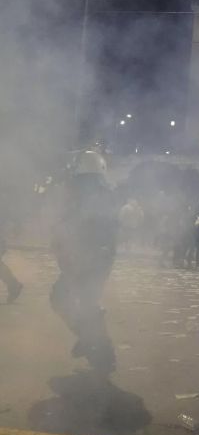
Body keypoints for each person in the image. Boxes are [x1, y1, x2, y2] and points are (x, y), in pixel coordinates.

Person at [50, 151, 118, 373]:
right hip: (95, 258)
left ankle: (97, 346)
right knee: (84, 301)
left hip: (86, 258)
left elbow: (76, 225)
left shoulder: (84, 193)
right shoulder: (104, 192)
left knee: (63, 298)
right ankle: (94, 343)